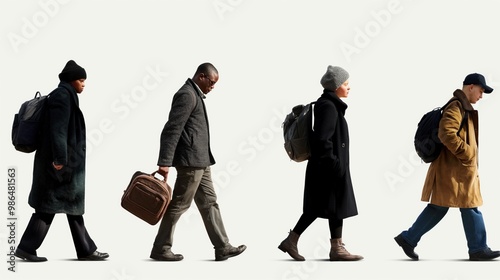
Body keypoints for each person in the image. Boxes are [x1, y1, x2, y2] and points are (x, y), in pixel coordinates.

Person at [395, 73, 500, 261]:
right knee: (470, 205)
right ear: (470, 87)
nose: (481, 96)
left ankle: (409, 238)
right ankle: (478, 249)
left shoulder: (461, 106)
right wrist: (467, 152)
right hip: (454, 171)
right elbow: (446, 133)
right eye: (481, 91)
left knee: (440, 207)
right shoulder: (456, 106)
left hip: (452, 171)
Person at [150, 62, 246, 261]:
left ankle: (222, 247)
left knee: (210, 203)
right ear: (201, 76)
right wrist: (164, 162)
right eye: (211, 82)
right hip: (190, 162)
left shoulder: (195, 94)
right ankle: (160, 248)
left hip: (201, 162)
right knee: (179, 204)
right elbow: (172, 129)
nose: (212, 87)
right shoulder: (186, 95)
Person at [15, 60, 109, 262]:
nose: (84, 84)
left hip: (64, 163)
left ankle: (84, 249)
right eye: (81, 80)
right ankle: (27, 247)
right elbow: (58, 130)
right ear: (71, 80)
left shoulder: (67, 95)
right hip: (59, 164)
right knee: (51, 206)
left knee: (67, 205)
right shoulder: (62, 96)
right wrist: (60, 159)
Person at [278, 65, 363, 261]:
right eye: (346, 83)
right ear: (335, 86)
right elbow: (322, 140)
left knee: (330, 207)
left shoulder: (330, 105)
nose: (349, 87)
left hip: (327, 167)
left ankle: (334, 247)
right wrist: (334, 164)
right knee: (320, 207)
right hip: (327, 168)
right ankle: (323, 246)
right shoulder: (329, 107)